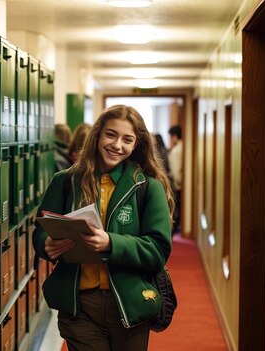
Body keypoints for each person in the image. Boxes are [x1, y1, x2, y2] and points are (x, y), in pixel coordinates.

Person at [33, 105, 174, 351]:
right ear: (97, 135)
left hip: (128, 304)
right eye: (111, 135)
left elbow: (158, 249)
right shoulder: (66, 181)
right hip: (79, 306)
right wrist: (46, 243)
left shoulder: (148, 187)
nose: (117, 145)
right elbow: (41, 229)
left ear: (136, 145)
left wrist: (111, 243)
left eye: (127, 139)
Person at [168, 125, 183, 234]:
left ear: (175, 136)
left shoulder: (176, 150)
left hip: (177, 185)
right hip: (180, 184)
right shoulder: (183, 147)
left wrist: (178, 183)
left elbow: (176, 170)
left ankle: (174, 229)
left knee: (176, 209)